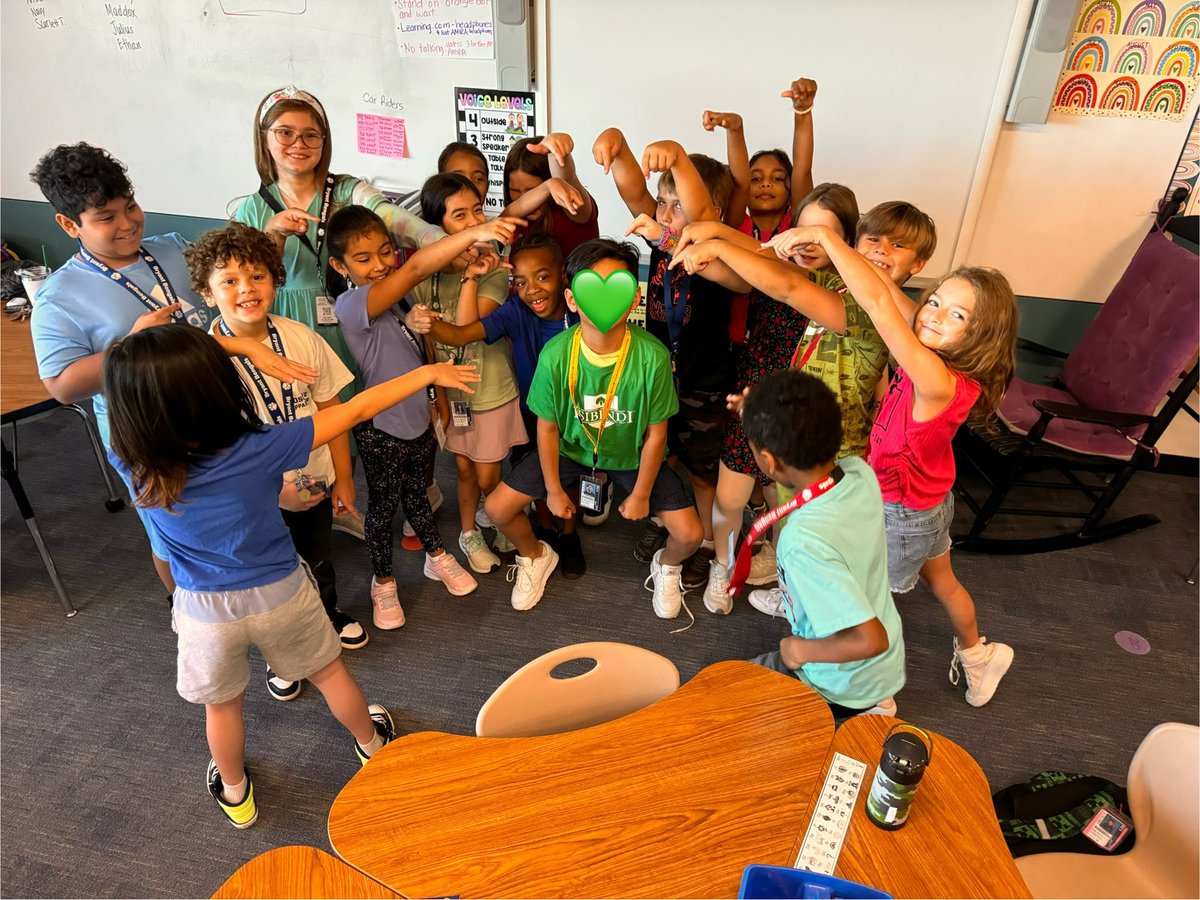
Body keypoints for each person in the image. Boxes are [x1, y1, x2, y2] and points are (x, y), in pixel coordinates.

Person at [103, 324, 480, 828]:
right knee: (330, 675)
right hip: (281, 592)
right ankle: (373, 746)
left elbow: (121, 381)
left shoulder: (130, 459)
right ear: (216, 386)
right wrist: (428, 372)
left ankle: (235, 794)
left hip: (201, 609)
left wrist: (141, 338)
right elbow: (358, 409)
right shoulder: (256, 446)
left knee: (222, 708)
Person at [29, 142, 315, 599]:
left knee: (246, 502)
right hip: (150, 434)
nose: (126, 225)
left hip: (221, 408)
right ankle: (188, 608)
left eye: (131, 207)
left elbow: (234, 287)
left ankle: (273, 588)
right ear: (69, 225)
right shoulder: (59, 298)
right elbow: (61, 386)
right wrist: (131, 345)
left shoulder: (173, 250)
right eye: (106, 218)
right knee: (174, 531)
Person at [771, 223, 1019, 706]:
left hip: (901, 515)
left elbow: (881, 308)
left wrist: (829, 237)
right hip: (930, 501)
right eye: (934, 301)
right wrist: (875, 266)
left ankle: (876, 697)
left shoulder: (937, 378)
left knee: (866, 609)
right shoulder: (934, 351)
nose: (934, 316)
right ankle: (979, 655)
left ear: (980, 334)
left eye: (957, 314)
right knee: (943, 581)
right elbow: (887, 292)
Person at [672, 200, 937, 611]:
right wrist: (720, 233)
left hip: (829, 451)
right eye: (874, 239)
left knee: (806, 534)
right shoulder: (839, 284)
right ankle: (787, 588)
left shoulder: (874, 310)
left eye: (898, 246)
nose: (882, 250)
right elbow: (784, 268)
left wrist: (722, 247)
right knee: (786, 520)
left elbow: (789, 287)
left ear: (918, 264)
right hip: (796, 428)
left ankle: (804, 607)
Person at [233, 85, 446, 539]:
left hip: (350, 316)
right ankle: (329, 502)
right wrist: (272, 234)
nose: (299, 144)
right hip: (286, 318)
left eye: (312, 135)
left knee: (366, 404)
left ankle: (397, 492)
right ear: (264, 138)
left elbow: (393, 218)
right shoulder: (251, 207)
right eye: (285, 132)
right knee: (302, 411)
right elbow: (246, 277)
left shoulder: (347, 190)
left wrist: (438, 243)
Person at [187, 222, 367, 703]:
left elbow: (334, 409)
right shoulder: (201, 362)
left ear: (275, 278)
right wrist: (274, 491)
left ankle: (326, 619)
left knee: (319, 559)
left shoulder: (301, 336)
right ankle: (281, 655)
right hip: (255, 499)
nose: (246, 289)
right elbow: (217, 450)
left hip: (316, 480)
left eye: (257, 276)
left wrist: (345, 478)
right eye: (229, 281)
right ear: (207, 293)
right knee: (272, 579)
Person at [484, 239, 704, 617]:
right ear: (572, 299)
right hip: (570, 448)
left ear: (633, 299)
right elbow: (548, 429)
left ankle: (666, 566)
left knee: (690, 535)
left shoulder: (652, 356)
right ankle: (536, 555)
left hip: (631, 456)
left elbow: (656, 435)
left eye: (616, 285)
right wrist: (553, 491)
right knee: (497, 509)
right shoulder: (556, 355)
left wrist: (641, 494)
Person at [328, 206, 522, 626]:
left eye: (384, 252)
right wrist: (479, 232)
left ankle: (436, 557)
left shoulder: (400, 298)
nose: (379, 265)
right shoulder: (351, 304)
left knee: (417, 493)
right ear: (338, 265)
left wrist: (438, 401)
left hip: (419, 418)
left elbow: (422, 348)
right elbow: (416, 267)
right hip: (381, 425)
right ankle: (383, 585)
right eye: (363, 259)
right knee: (381, 509)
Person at [674, 182, 860, 610]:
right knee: (730, 496)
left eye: (822, 236)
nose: (805, 244)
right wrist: (694, 247)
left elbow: (784, 284)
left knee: (788, 504)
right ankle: (723, 564)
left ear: (845, 242)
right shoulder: (775, 262)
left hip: (802, 413)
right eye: (801, 232)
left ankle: (783, 566)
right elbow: (746, 265)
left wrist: (719, 243)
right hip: (752, 397)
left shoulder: (843, 290)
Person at [592, 129, 736, 580]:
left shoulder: (717, 248)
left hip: (704, 380)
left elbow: (699, 215)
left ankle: (706, 544)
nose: (666, 213)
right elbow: (634, 189)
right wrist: (616, 143)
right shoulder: (657, 234)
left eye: (679, 205)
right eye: (663, 203)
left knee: (701, 471)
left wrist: (675, 156)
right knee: (662, 453)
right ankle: (667, 522)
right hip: (658, 374)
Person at [405, 233, 588, 577]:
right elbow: (461, 334)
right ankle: (545, 528)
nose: (531, 289)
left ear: (563, 275)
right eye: (520, 282)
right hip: (533, 411)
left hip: (576, 414)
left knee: (568, 477)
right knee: (534, 471)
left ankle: (568, 534)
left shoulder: (582, 314)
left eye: (542, 277)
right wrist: (426, 323)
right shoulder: (516, 311)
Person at [740, 369, 904, 719]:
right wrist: (757, 418)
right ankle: (875, 698)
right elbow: (798, 481)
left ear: (769, 461)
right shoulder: (857, 471)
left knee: (733, 699)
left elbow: (871, 639)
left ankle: (865, 709)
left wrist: (799, 649)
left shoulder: (802, 542)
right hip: (877, 662)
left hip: (840, 678)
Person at [412, 174, 526, 574]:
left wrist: (472, 276)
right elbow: (429, 344)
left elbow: (464, 324)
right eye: (459, 215)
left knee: (490, 470)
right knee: (462, 469)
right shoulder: (424, 274)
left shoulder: (494, 267)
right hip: (453, 393)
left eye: (477, 210)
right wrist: (438, 396)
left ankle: (499, 518)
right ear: (436, 227)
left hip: (491, 390)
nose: (475, 220)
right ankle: (468, 533)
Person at [502, 133, 599, 257]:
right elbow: (504, 217)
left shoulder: (571, 209)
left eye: (532, 189)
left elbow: (567, 180)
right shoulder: (512, 219)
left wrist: (557, 154)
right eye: (514, 190)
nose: (524, 197)